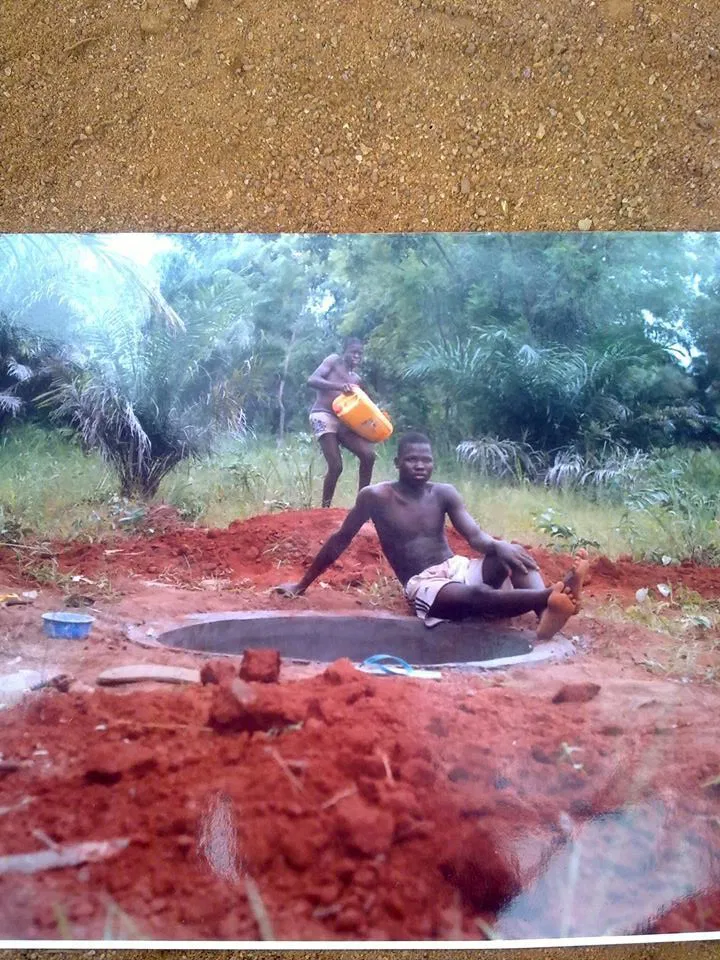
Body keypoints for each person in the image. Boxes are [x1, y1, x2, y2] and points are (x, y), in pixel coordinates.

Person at [276, 432, 588, 642]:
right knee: (476, 598)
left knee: (512, 553)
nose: (420, 466)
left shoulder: (444, 493)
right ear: (397, 463)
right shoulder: (375, 496)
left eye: (426, 460)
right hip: (425, 584)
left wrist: (498, 545)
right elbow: (340, 539)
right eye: (412, 459)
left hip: (457, 567)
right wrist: (301, 585)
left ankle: (546, 616)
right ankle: (550, 595)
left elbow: (476, 537)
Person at [307, 337, 377, 508]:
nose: (357, 356)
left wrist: (378, 418)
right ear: (344, 351)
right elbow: (312, 380)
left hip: (343, 422)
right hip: (322, 415)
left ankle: (362, 506)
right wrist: (339, 387)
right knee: (336, 466)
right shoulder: (332, 361)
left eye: (360, 354)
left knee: (369, 455)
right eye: (353, 352)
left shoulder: (357, 380)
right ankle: (325, 509)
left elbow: (363, 406)